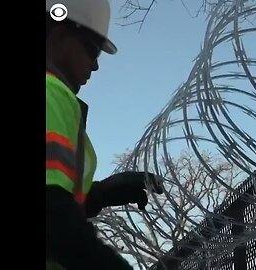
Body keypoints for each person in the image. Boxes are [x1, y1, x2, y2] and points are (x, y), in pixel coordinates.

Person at [46, 1, 163, 269]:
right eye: (92, 49)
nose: (95, 65)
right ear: (61, 37)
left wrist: (98, 195)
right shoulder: (52, 93)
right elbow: (52, 215)